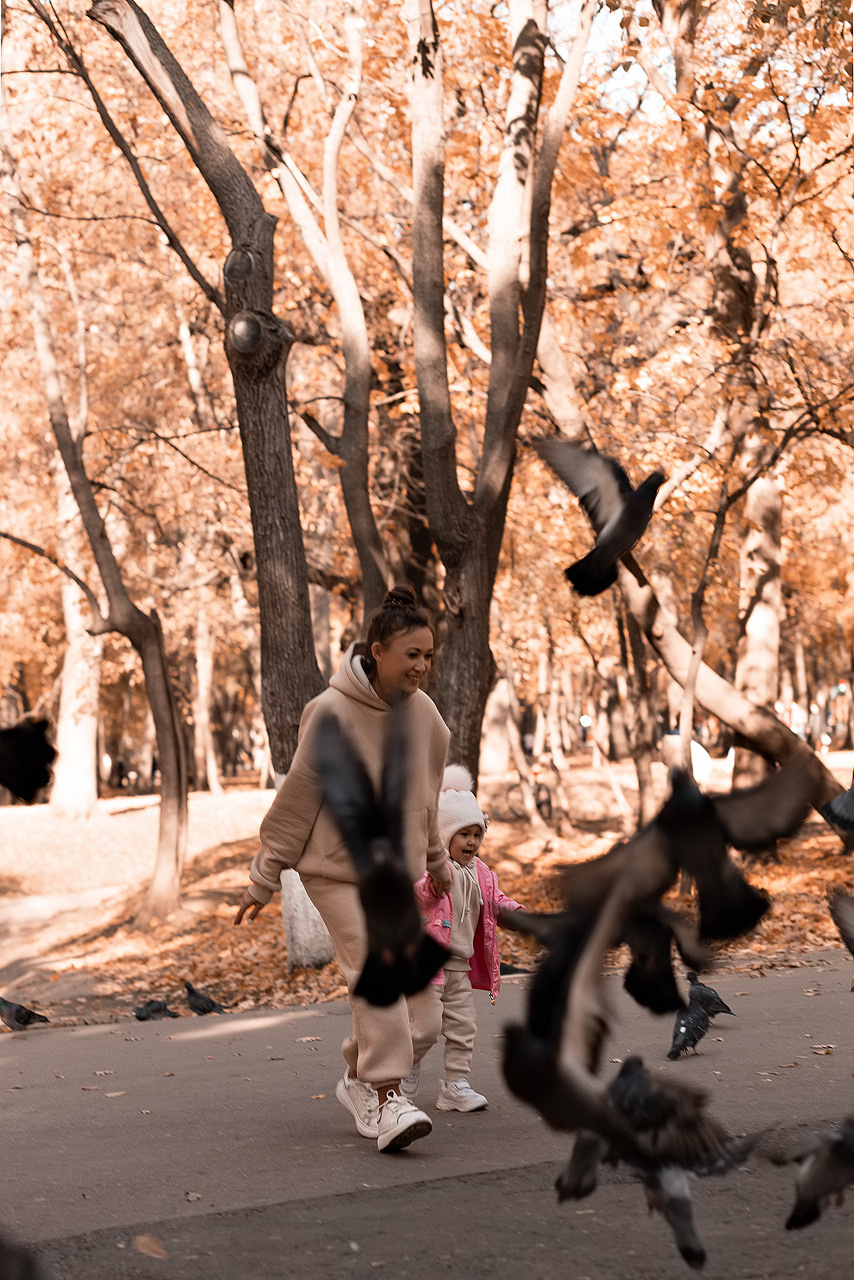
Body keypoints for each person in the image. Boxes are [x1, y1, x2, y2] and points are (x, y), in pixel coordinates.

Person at [233, 586, 451, 1154]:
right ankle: (387, 1098)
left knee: (424, 1019)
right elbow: (298, 799)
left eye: (429, 655)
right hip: (333, 871)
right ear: (377, 651)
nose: (422, 666)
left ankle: (358, 1079)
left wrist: (437, 862)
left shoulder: (426, 716)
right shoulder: (329, 712)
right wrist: (263, 876)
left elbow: (426, 801)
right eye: (412, 655)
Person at [405, 765, 525, 1113]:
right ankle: (403, 1073)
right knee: (425, 1029)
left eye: (477, 834)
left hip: (458, 964)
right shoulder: (435, 870)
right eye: (463, 834)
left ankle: (454, 1086)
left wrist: (521, 916)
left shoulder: (482, 872)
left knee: (463, 1028)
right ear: (444, 836)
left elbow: (496, 904)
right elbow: (421, 896)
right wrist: (433, 884)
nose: (472, 841)